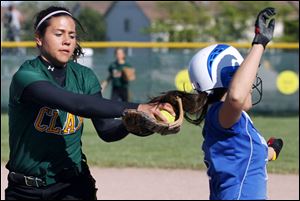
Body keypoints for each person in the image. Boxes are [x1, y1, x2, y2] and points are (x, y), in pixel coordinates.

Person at [5, 6, 176, 200]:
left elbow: (106, 130)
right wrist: (137, 106)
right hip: (27, 191)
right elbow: (76, 103)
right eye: (59, 33)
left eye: (72, 35)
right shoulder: (27, 76)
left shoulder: (84, 77)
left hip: (73, 185)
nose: (67, 40)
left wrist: (135, 121)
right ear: (39, 37)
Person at [183, 7, 283, 200]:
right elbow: (236, 97)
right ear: (229, 81)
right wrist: (259, 42)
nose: (251, 84)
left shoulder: (229, 120)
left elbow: (246, 156)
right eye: (245, 77)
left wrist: (272, 150)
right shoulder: (220, 115)